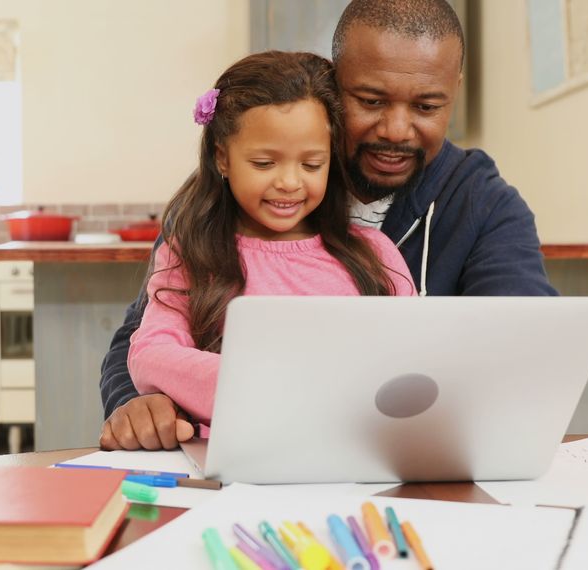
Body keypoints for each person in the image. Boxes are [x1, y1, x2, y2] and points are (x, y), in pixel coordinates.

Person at [99, 0, 558, 451]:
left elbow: (517, 358)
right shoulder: (218, 210)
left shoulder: (479, 206)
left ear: (452, 92)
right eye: (371, 100)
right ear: (333, 88)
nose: (397, 129)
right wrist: (139, 405)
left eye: (427, 106)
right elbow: (144, 339)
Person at [128, 51, 416, 430]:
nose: (290, 182)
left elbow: (415, 359)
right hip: (236, 464)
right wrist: (270, 382)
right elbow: (151, 353)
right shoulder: (193, 254)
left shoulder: (374, 254)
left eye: (312, 164)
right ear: (222, 158)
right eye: (264, 164)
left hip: (352, 463)